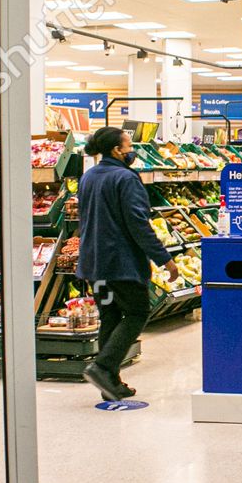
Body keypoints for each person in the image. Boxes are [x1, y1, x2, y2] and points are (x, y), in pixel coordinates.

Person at [76, 126, 177, 402]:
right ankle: (103, 367)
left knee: (110, 315)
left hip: (94, 264)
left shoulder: (88, 177)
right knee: (136, 312)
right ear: (116, 150)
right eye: (128, 145)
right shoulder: (125, 178)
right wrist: (164, 259)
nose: (131, 150)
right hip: (120, 263)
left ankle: (110, 383)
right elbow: (138, 225)